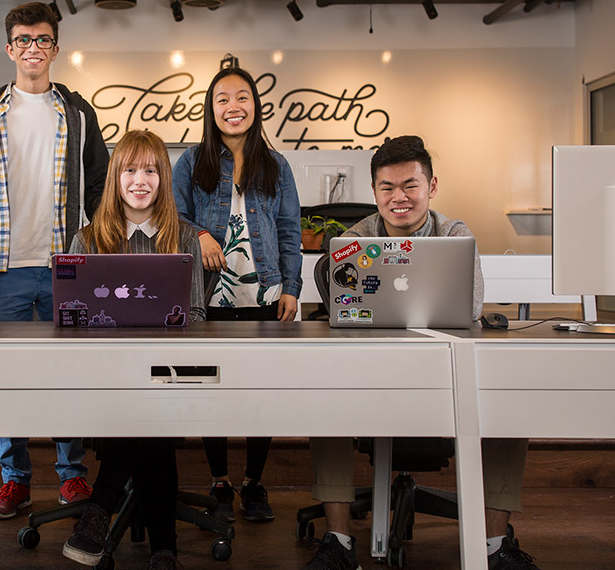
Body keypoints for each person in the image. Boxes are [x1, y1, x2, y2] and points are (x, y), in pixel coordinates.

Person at [303, 135, 537, 570]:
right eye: (387, 187)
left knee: (511, 401)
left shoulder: (454, 235)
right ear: (374, 192)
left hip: (442, 373)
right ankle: (338, 541)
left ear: (432, 186)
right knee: (324, 397)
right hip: (371, 373)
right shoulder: (354, 239)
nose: (399, 197)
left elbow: (469, 309)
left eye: (410, 185)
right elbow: (341, 308)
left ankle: (493, 546)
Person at [0, 1, 109, 519]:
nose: (33, 49)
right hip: (4, 268)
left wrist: (106, 250)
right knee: (8, 379)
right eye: (23, 40)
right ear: (9, 47)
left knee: (70, 375)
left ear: (56, 48)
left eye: (42, 40)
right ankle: (15, 481)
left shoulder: (79, 113)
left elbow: (101, 190)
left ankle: (71, 476)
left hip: (68, 265)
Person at [62, 130, 204, 570]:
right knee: (146, 423)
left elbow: (196, 315)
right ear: (115, 178)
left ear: (163, 178)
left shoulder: (183, 239)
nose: (140, 180)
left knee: (149, 409)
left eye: (150, 170)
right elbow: (70, 323)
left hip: (166, 375)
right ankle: (165, 548)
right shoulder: (87, 241)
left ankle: (99, 510)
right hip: (105, 377)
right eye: (129, 170)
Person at [172, 65, 302, 523]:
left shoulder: (276, 164)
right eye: (222, 99)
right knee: (214, 389)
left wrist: (292, 285)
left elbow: (288, 229)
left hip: (265, 291)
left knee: (259, 391)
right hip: (210, 293)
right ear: (211, 109)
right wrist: (199, 236)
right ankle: (219, 480)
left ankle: (254, 481)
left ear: (255, 106)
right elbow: (174, 218)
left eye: (242, 97)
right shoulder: (191, 161)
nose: (233, 107)